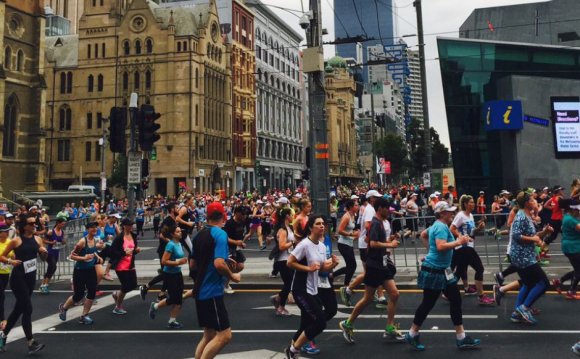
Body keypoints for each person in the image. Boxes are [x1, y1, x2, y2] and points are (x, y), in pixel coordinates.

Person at [405, 201, 480, 351]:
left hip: (443, 271)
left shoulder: (437, 225)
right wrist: (458, 241)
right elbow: (440, 246)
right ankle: (412, 333)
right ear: (441, 213)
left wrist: (429, 252)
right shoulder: (440, 226)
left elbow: (424, 235)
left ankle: (461, 337)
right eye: (449, 211)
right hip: (435, 271)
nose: (452, 213)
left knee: (455, 300)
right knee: (428, 303)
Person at [339, 197, 404, 344]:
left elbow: (379, 241)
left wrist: (391, 239)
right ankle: (347, 323)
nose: (389, 211)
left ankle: (389, 327)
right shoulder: (375, 223)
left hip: (382, 264)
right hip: (374, 266)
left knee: (394, 294)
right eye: (387, 209)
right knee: (368, 298)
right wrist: (391, 245)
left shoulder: (380, 223)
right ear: (380, 208)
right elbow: (373, 243)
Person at [284, 215, 339, 359]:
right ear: (310, 227)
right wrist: (308, 268)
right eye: (318, 224)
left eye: (323, 224)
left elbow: (320, 269)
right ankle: (293, 350)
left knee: (307, 323)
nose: (322, 226)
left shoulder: (321, 246)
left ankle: (292, 348)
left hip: (313, 289)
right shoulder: (304, 244)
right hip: (300, 289)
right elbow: (290, 262)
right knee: (319, 322)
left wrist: (332, 265)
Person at [190, 202, 240, 359]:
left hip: (200, 289)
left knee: (209, 335)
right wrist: (232, 276)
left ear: (207, 216)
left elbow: (192, 264)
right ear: (224, 216)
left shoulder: (199, 235)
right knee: (225, 335)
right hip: (211, 291)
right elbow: (218, 263)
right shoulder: (220, 234)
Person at [0, 214, 48, 354]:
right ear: (24, 226)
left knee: (18, 309)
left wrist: (43, 252)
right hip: (18, 278)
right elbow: (2, 255)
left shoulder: (38, 239)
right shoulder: (16, 241)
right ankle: (31, 343)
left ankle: (3, 335)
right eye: (31, 223)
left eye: (35, 223)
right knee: (28, 309)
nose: (34, 226)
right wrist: (11, 261)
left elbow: (44, 258)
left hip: (30, 278)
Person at [508, 191, 553, 325]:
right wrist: (533, 238)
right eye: (533, 200)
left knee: (528, 283)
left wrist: (544, 232)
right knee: (544, 283)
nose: (535, 203)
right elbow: (516, 235)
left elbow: (533, 235)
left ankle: (516, 314)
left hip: (525, 255)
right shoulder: (521, 216)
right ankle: (524, 308)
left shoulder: (527, 216)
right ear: (527, 203)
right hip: (523, 257)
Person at [340, 190, 385, 307]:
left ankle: (375, 295)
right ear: (371, 199)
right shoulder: (370, 210)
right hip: (367, 245)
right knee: (371, 271)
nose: (378, 199)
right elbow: (367, 225)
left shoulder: (370, 209)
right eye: (376, 197)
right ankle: (350, 289)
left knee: (373, 271)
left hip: (366, 244)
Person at [450, 195, 494, 305]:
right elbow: (452, 228)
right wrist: (461, 237)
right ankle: (481, 296)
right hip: (464, 248)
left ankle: (447, 291)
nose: (473, 204)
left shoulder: (470, 216)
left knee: (459, 272)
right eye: (471, 202)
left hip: (468, 245)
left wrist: (478, 228)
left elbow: (471, 232)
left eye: (473, 202)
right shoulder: (460, 215)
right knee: (480, 268)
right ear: (465, 204)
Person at [58, 221, 103, 325]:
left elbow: (92, 251)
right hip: (79, 271)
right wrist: (84, 258)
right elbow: (71, 256)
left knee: (92, 291)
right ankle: (64, 308)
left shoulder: (96, 240)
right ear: (87, 229)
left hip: (91, 269)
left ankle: (84, 315)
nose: (94, 229)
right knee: (78, 295)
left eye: (96, 228)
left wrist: (98, 257)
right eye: (92, 228)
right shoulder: (82, 242)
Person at [148, 224, 187, 329]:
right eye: (178, 231)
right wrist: (179, 262)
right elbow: (164, 261)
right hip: (169, 275)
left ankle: (172, 321)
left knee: (179, 299)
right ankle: (155, 306)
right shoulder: (170, 245)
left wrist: (181, 261)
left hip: (177, 273)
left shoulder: (179, 243)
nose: (180, 233)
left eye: (180, 231)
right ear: (173, 234)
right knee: (174, 298)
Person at [140, 202, 178, 301]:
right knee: (166, 273)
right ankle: (146, 286)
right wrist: (171, 243)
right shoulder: (168, 220)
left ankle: (161, 294)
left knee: (168, 273)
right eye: (177, 207)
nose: (179, 209)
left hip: (169, 251)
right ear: (172, 209)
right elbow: (161, 235)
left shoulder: (173, 220)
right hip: (164, 251)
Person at [110, 217, 141, 315]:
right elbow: (113, 252)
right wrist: (124, 253)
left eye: (132, 225)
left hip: (130, 264)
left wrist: (135, 251)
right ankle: (118, 307)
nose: (131, 226)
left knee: (133, 285)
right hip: (120, 265)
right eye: (129, 225)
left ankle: (116, 294)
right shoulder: (119, 238)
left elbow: (133, 250)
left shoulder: (133, 235)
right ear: (124, 226)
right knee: (126, 285)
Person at [270, 208, 295, 316]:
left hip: (289, 259)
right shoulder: (283, 230)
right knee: (289, 284)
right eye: (291, 214)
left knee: (289, 284)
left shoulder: (289, 228)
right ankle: (280, 306)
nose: (293, 216)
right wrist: (293, 243)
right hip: (282, 260)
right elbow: (281, 246)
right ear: (287, 216)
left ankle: (278, 300)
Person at [552, 203, 580, 299]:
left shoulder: (567, 217)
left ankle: (559, 281)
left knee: (578, 269)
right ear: (573, 210)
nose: (579, 212)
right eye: (578, 210)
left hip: (571, 246)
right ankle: (571, 291)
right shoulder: (571, 220)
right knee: (579, 270)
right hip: (573, 248)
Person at [335, 199, 360, 300]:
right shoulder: (346, 216)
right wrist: (351, 234)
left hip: (348, 243)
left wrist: (354, 236)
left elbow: (350, 229)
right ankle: (346, 286)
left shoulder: (353, 215)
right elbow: (339, 231)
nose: (357, 206)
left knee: (351, 266)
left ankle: (335, 277)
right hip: (343, 244)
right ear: (350, 207)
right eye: (356, 205)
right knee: (352, 265)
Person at [223, 206, 248, 294]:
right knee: (231, 266)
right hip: (228, 248)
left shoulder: (242, 222)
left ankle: (224, 280)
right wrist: (236, 242)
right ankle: (225, 284)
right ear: (236, 213)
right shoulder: (229, 223)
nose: (244, 216)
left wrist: (241, 243)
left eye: (245, 214)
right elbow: (225, 237)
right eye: (242, 214)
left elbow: (241, 236)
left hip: (236, 248)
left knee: (240, 266)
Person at [40, 216, 67, 294]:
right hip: (50, 252)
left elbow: (61, 241)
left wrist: (63, 242)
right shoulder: (51, 231)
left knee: (51, 268)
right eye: (62, 224)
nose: (63, 226)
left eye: (64, 224)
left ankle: (43, 285)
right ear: (58, 223)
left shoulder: (62, 232)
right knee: (53, 266)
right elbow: (43, 240)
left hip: (56, 252)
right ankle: (45, 285)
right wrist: (51, 243)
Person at [0, 225, 14, 331]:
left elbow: (14, 255)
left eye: (8, 231)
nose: (7, 233)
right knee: (1, 296)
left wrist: (12, 258)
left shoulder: (10, 242)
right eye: (5, 231)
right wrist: (8, 260)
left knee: (1, 293)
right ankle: (2, 320)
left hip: (5, 272)